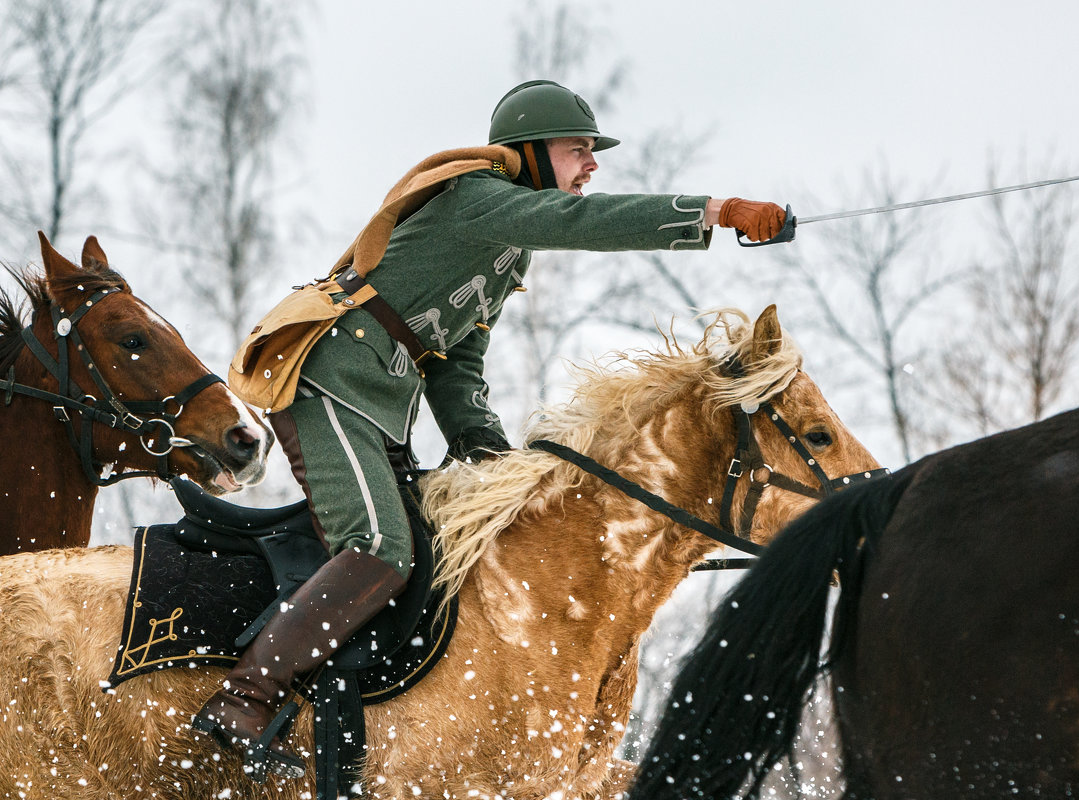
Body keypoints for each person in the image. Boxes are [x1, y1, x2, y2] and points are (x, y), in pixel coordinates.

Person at [192, 79, 787, 778]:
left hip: (378, 401)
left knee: (427, 557)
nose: (591, 166)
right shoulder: (477, 199)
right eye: (578, 152)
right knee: (380, 548)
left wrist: (487, 450)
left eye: (592, 154)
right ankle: (244, 695)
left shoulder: (508, 250)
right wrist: (713, 212)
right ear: (532, 153)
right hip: (327, 382)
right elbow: (578, 225)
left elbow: (456, 362)